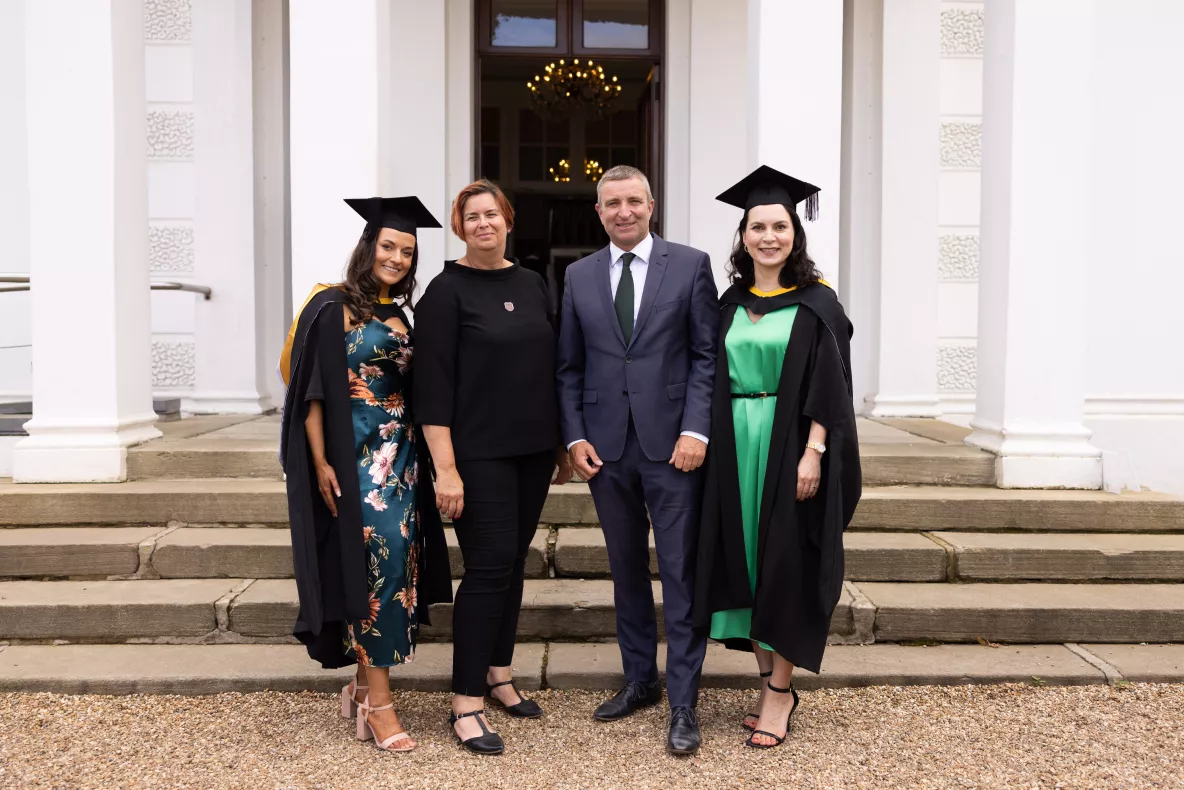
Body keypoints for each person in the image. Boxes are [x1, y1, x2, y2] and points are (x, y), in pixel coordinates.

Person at [692, 166, 862, 749]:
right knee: (746, 558)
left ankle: (779, 694)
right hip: (735, 443)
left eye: (780, 226)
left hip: (790, 444)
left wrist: (813, 453)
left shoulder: (818, 304)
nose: (769, 236)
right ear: (743, 237)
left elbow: (830, 386)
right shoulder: (729, 302)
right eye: (757, 226)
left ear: (795, 234)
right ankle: (767, 678)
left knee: (786, 560)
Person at [279, 196, 453, 753]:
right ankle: (380, 705)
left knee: (399, 570)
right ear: (367, 247)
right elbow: (310, 396)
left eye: (407, 250)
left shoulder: (405, 315)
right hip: (354, 460)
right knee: (378, 571)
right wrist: (321, 463)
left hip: (401, 457)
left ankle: (361, 687)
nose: (397, 258)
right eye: (388, 247)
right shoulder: (332, 307)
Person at [555, 165, 719, 755]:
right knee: (626, 572)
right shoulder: (578, 275)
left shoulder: (691, 265)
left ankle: (683, 701)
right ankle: (639, 681)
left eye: (633, 201)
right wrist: (574, 439)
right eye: (611, 204)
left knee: (678, 574)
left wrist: (696, 429)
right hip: (606, 451)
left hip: (674, 448)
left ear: (652, 204)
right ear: (598, 212)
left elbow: (705, 356)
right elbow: (569, 367)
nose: (623, 212)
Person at [414, 179, 573, 755]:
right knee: (486, 569)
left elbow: (548, 368)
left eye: (492, 214)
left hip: (532, 453)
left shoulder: (531, 283)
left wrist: (557, 446)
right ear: (460, 227)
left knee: (511, 566)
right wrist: (446, 470)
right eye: (471, 216)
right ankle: (464, 704)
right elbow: (432, 390)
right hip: (475, 457)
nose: (484, 223)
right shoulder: (445, 292)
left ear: (508, 220)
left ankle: (498, 674)